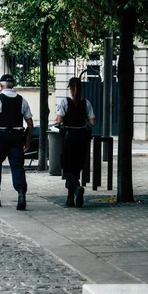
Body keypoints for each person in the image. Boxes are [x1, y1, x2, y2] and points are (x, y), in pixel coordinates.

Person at [0, 74, 33, 211]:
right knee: (17, 166)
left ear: (0, 84)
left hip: (0, 136)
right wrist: (27, 140)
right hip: (17, 136)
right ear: (13, 85)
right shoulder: (22, 101)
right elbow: (30, 123)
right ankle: (21, 193)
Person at [55, 77, 96, 208]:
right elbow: (93, 122)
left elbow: (59, 120)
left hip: (69, 138)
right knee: (76, 168)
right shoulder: (86, 103)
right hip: (82, 139)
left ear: (70, 88)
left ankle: (76, 188)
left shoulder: (64, 102)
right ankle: (70, 198)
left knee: (66, 167)